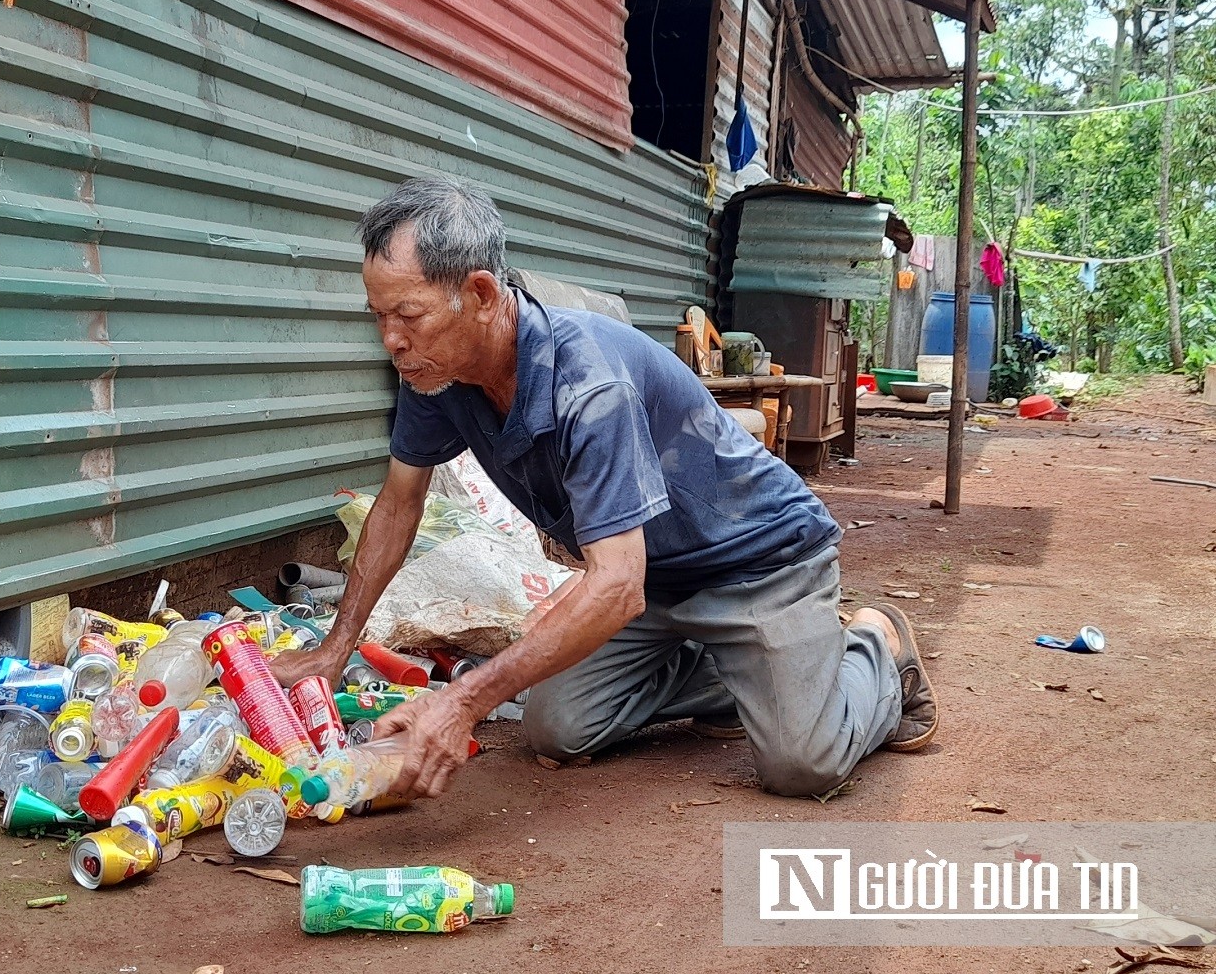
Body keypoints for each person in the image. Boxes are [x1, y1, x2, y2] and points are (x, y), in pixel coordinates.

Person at [271, 175, 937, 800]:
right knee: (556, 726)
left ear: (478, 294)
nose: (391, 339)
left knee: (802, 764)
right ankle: (741, 675)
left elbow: (614, 584)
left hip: (757, 565)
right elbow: (398, 504)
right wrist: (334, 650)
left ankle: (873, 645)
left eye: (408, 315)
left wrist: (459, 701)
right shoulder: (437, 373)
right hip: (652, 581)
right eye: (378, 315)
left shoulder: (587, 384)